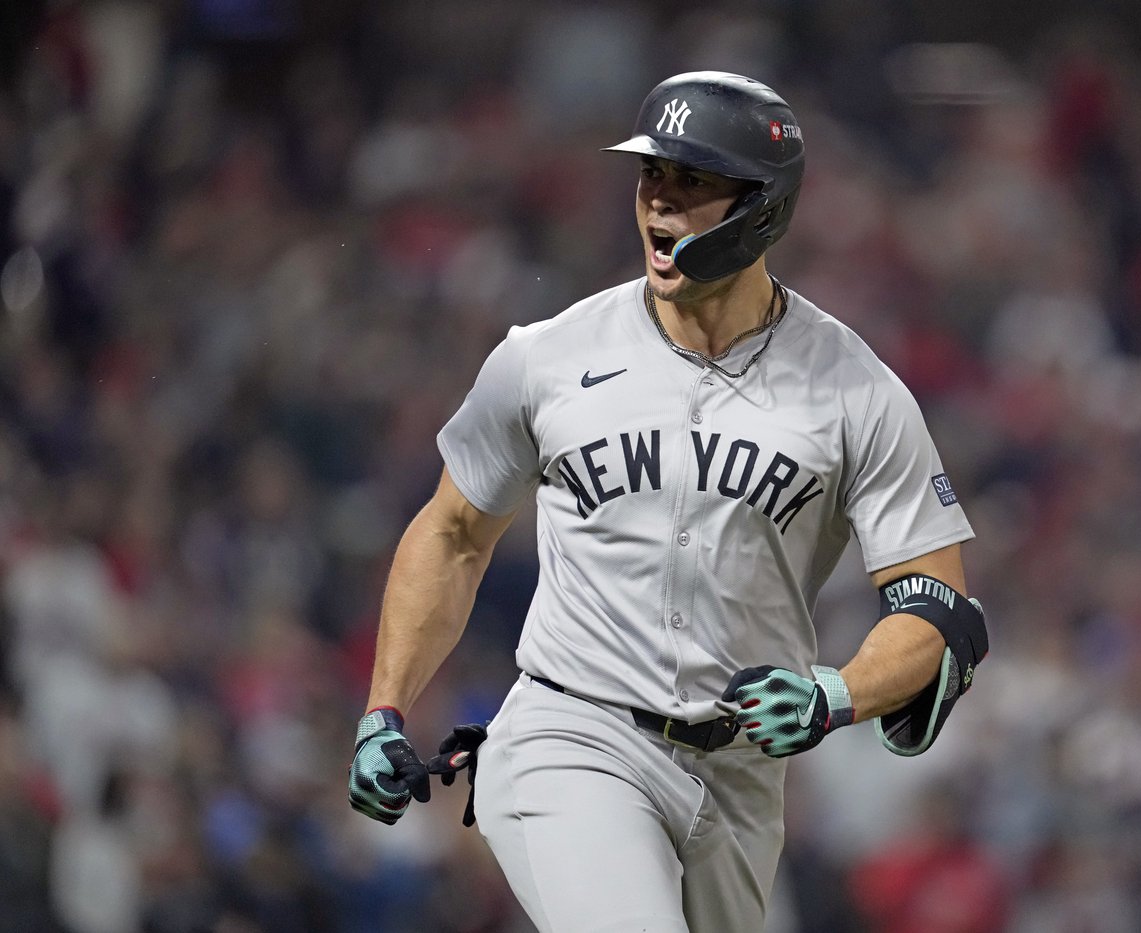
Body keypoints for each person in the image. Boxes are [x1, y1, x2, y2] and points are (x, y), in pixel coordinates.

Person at [347, 71, 988, 933]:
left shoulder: (855, 391)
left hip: (741, 775)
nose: (661, 201)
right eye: (653, 174)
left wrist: (835, 692)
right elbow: (454, 532)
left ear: (763, 206)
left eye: (694, 181)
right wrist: (385, 706)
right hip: (572, 732)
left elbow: (937, 611)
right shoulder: (547, 357)